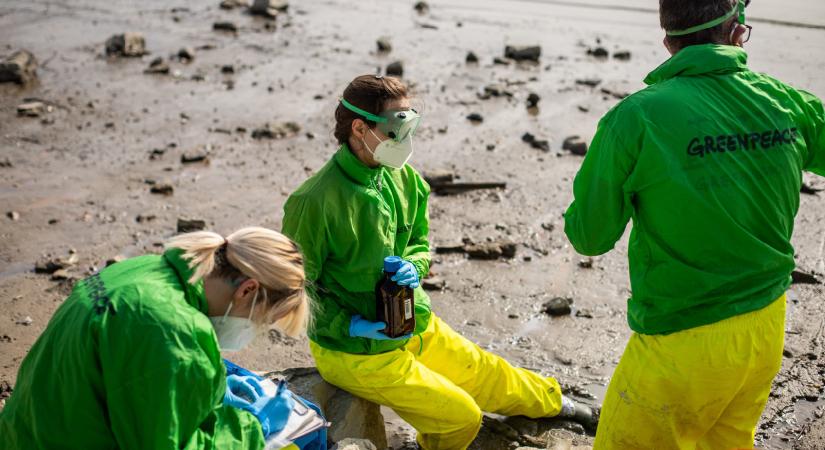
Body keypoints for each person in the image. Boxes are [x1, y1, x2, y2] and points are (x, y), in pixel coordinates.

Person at [282, 74, 597, 450]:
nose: (406, 139)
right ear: (359, 127)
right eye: (396, 127)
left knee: (487, 373)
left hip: (410, 320)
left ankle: (558, 403)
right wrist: (350, 325)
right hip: (353, 351)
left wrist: (415, 266)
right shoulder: (314, 201)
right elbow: (292, 290)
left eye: (410, 124)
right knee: (461, 416)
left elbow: (419, 241)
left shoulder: (404, 179)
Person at [563, 0, 825, 448]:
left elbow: (590, 236)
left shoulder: (636, 117)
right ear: (736, 30)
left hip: (683, 340)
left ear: (669, 42)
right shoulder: (788, 101)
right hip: (766, 325)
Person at [0, 227, 310, 449]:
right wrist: (254, 429)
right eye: (261, 321)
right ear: (247, 290)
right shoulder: (176, 334)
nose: (253, 332)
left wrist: (210, 390)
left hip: (26, 432)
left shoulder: (144, 270)